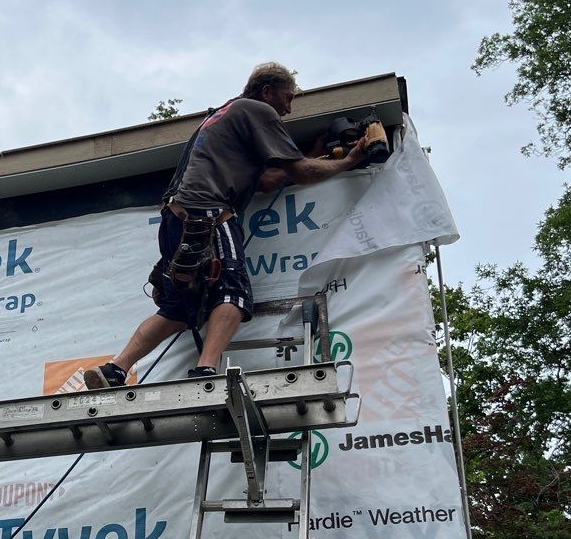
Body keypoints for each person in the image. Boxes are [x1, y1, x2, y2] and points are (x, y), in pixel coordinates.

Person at [84, 62, 369, 390]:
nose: (289, 109)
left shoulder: (223, 115)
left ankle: (114, 369)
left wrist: (314, 156)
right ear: (266, 92)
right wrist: (349, 160)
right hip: (210, 214)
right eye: (287, 98)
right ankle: (206, 371)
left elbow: (266, 181)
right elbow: (300, 172)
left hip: (176, 217)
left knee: (178, 309)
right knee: (233, 293)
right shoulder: (257, 110)